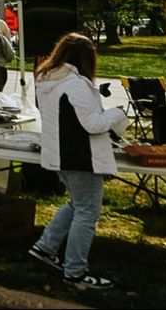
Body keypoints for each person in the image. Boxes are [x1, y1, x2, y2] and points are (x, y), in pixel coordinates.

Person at [27, 33, 129, 290]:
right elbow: (93, 124)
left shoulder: (47, 78)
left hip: (59, 155)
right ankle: (75, 272)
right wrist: (117, 113)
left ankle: (46, 247)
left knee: (77, 205)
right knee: (86, 213)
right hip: (81, 157)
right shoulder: (74, 83)